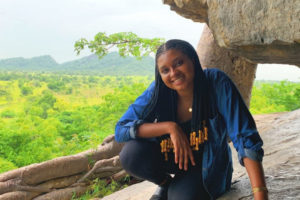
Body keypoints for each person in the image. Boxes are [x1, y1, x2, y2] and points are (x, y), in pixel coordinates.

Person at [115, 39, 268, 200]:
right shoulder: (159, 91)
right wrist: (170, 127)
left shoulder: (216, 82)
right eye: (165, 70)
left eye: (179, 63)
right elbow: (121, 129)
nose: (173, 73)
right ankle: (166, 183)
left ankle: (176, 188)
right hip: (172, 157)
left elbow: (245, 137)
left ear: (193, 60)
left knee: (181, 198)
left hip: (207, 164)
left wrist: (260, 193)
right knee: (131, 155)